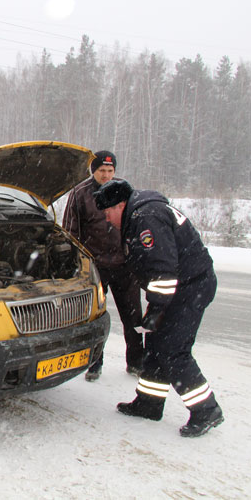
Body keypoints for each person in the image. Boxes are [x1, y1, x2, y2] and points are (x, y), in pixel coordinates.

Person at [93, 179, 224, 437]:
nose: (107, 219)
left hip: (190, 287)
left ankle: (206, 409)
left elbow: (164, 271)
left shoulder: (146, 218)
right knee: (155, 346)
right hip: (179, 287)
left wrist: (155, 310)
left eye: (108, 213)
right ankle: (149, 403)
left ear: (120, 205)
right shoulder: (140, 212)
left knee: (173, 350)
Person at [63, 151, 143, 381]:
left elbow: (135, 224)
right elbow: (71, 232)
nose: (106, 176)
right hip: (95, 267)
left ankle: (136, 362)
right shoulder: (80, 193)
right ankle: (95, 362)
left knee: (133, 317)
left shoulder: (123, 189)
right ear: (93, 171)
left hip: (124, 265)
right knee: (95, 317)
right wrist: (78, 264)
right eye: (102, 171)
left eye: (110, 171)